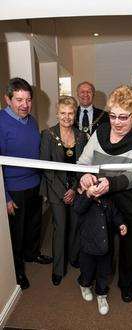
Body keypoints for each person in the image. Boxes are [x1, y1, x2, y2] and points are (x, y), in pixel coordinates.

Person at [77, 85, 132, 302]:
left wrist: (111, 183)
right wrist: (85, 176)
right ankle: (93, 278)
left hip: (131, 200)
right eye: (113, 116)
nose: (117, 122)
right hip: (103, 199)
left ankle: (128, 284)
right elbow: (83, 162)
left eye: (123, 117)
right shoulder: (99, 133)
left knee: (130, 247)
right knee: (99, 243)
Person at [0, 77, 52, 290]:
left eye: (28, 100)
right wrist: (6, 197)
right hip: (14, 189)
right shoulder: (1, 123)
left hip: (34, 184)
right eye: (19, 100)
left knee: (34, 225)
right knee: (16, 233)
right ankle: (18, 270)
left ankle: (33, 254)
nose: (25, 105)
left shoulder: (31, 121)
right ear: (7, 99)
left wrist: (43, 185)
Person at [40, 96, 87, 286]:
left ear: (75, 114)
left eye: (70, 113)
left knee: (75, 226)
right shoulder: (48, 135)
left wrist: (74, 189)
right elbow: (46, 168)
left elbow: (83, 164)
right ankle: (58, 269)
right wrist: (63, 192)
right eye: (63, 113)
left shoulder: (81, 136)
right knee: (61, 228)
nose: (66, 117)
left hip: (75, 189)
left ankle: (74, 257)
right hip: (55, 189)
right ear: (57, 114)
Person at [73, 182, 127, 315]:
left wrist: (121, 224)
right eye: (89, 187)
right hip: (88, 248)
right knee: (87, 272)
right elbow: (78, 208)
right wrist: (88, 195)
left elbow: (115, 214)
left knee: (104, 273)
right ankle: (84, 285)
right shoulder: (82, 201)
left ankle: (102, 296)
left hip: (105, 248)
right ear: (81, 190)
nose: (94, 189)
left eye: (96, 186)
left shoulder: (107, 200)